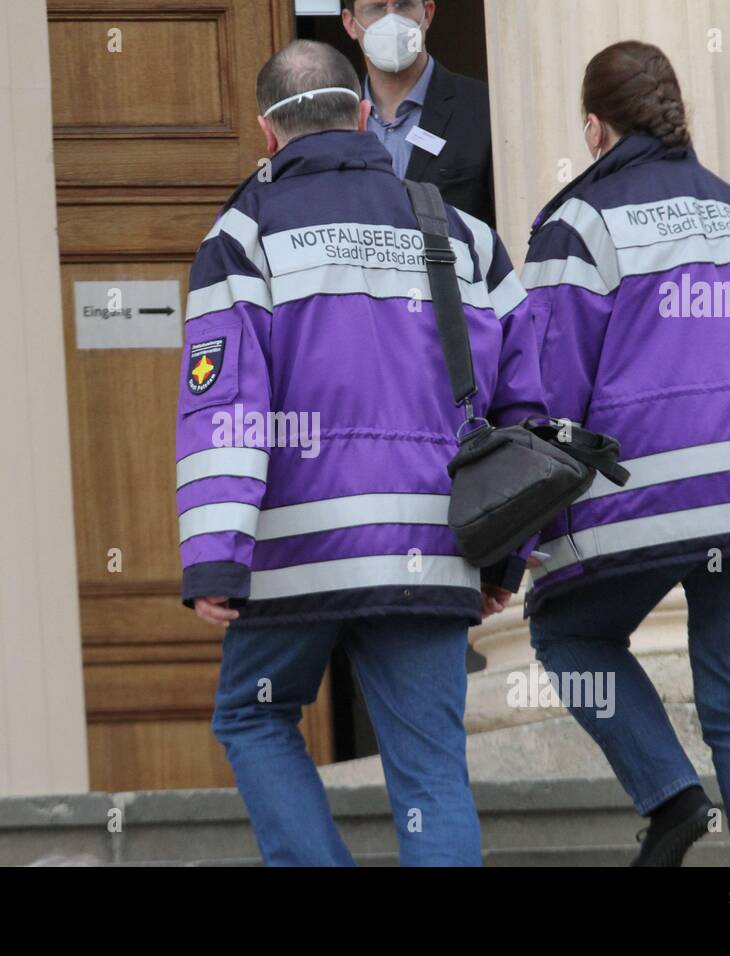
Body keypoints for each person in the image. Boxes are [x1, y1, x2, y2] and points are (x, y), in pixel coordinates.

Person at [175, 39, 545, 866]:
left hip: (296, 553)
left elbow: (223, 407)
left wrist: (216, 558)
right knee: (432, 775)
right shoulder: (462, 232)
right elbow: (527, 403)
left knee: (254, 715)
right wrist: (501, 558)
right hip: (431, 547)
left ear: (266, 136)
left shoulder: (242, 235)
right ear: (366, 116)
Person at [521, 40, 730, 867]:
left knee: (567, 632)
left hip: (649, 497)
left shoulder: (579, 223)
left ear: (594, 128)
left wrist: (531, 538)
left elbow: (551, 393)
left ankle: (671, 798)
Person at [339, 0, 496, 224]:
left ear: (428, 14)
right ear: (350, 24)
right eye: (376, 8)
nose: (391, 20)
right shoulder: (333, 119)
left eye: (404, 5)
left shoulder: (482, 107)